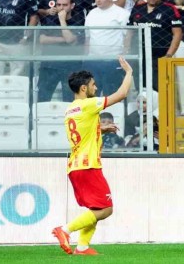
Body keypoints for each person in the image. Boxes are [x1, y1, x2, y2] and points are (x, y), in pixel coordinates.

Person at [51, 57, 133, 255]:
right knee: (106, 209)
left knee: (95, 208)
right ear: (83, 88)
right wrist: (129, 72)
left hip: (76, 166)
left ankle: (83, 246)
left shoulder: (70, 109)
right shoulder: (88, 104)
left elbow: (82, 131)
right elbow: (121, 94)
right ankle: (65, 230)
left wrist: (101, 129)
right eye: (93, 85)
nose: (96, 88)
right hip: (88, 166)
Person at [129, 0, 182, 90]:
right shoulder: (137, 9)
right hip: (140, 56)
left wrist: (168, 55)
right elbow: (130, 32)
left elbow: (177, 34)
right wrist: (127, 52)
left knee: (160, 89)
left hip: (160, 57)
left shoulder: (169, 9)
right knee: (141, 89)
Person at [38, 0, 86, 102]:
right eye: (58, 5)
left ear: (72, 6)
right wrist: (64, 39)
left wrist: (62, 20)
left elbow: (70, 40)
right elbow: (42, 39)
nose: (61, 8)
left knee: (70, 101)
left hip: (70, 67)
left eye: (65, 5)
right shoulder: (49, 19)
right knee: (42, 99)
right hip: (49, 66)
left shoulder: (78, 20)